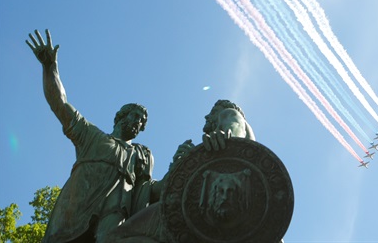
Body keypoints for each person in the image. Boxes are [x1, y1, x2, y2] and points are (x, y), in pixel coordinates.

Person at [27, 29, 161, 242]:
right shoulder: (92, 136)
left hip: (115, 213)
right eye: (136, 116)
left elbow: (148, 190)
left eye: (142, 122)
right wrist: (49, 67)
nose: (139, 123)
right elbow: (59, 104)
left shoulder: (140, 155)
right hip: (76, 210)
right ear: (120, 116)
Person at [100, 99, 260, 243]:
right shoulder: (214, 149)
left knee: (114, 238)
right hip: (223, 213)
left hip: (211, 206)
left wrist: (226, 135)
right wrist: (180, 165)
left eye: (212, 113)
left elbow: (235, 127)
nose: (206, 117)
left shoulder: (229, 115)